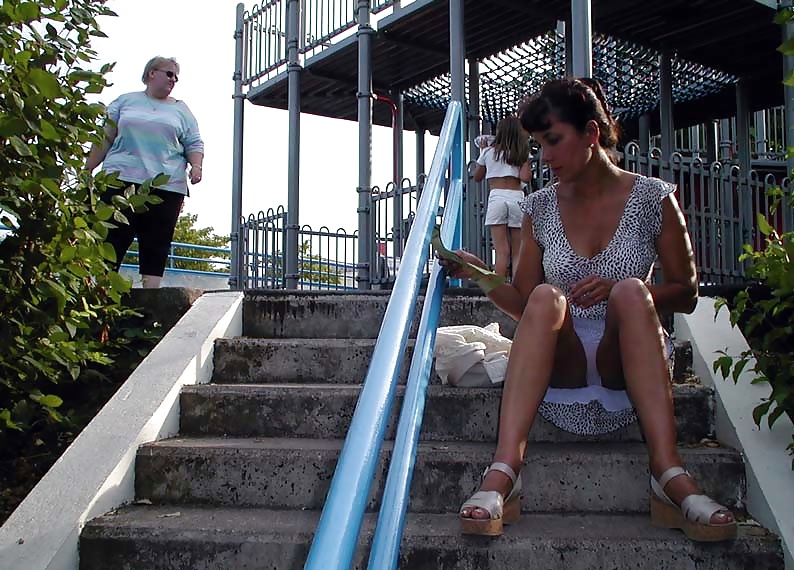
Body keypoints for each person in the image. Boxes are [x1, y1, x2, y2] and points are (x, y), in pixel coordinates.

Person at [442, 78, 736, 542]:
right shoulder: (537, 206)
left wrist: (623, 285)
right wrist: (480, 273)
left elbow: (687, 291)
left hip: (628, 364)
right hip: (565, 369)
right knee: (544, 296)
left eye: (554, 141)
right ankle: (504, 471)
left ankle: (667, 471)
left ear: (592, 134)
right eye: (539, 145)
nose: (545, 157)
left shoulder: (653, 197)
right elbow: (522, 303)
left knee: (631, 294)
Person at [85, 56, 204, 288]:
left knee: (156, 242)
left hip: (165, 186)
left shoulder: (181, 109)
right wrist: (88, 168)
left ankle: (151, 299)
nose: (173, 80)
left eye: (176, 77)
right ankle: (100, 294)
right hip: (120, 180)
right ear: (151, 73)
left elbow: (194, 142)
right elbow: (105, 137)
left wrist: (196, 167)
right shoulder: (125, 101)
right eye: (169, 74)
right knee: (112, 238)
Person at [473, 117, 531, 278]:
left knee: (501, 251)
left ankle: (499, 291)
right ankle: (517, 288)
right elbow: (525, 177)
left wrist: (482, 152)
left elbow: (477, 176)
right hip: (517, 198)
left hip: (497, 197)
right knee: (517, 250)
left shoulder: (488, 152)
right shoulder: (521, 152)